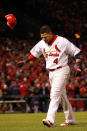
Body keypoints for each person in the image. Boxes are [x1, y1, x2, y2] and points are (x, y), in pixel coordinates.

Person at [17, 25, 82, 127]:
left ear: (51, 34)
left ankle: (50, 120)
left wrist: (78, 66)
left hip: (62, 70)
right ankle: (70, 119)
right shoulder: (42, 43)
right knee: (62, 97)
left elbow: (76, 52)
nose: (43, 39)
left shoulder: (62, 41)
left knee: (54, 95)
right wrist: (25, 61)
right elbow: (34, 54)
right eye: (42, 37)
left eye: (45, 37)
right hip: (51, 72)